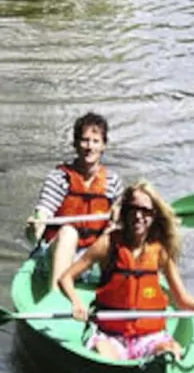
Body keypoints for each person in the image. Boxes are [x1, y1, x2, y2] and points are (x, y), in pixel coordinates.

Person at [59, 181, 194, 362]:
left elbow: (181, 299)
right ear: (125, 212)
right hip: (112, 335)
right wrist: (77, 303)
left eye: (145, 211)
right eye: (133, 209)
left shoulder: (161, 251)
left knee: (170, 351)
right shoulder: (108, 243)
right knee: (102, 353)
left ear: (154, 215)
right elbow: (66, 278)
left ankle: (160, 372)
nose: (138, 216)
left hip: (150, 336)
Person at [27, 112, 123, 289]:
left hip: (90, 257)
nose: (89, 147)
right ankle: (55, 294)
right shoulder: (59, 178)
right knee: (69, 233)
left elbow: (120, 218)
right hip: (55, 253)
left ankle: (112, 295)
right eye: (85, 140)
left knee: (113, 236)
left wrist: (117, 221)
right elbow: (44, 210)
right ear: (75, 144)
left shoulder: (112, 182)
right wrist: (37, 224)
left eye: (95, 141)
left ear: (104, 146)